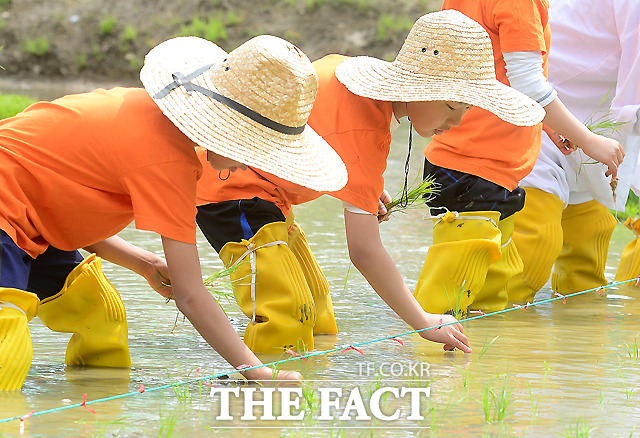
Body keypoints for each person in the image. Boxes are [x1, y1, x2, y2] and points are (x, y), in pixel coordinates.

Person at [0, 34, 349, 391]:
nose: (249, 166)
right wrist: (259, 374)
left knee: (99, 313)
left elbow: (61, 207)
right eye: (257, 150)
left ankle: (84, 420)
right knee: (6, 341)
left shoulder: (156, 126)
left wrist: (143, 263)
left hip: (29, 222)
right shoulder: (169, 161)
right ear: (229, 131)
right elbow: (190, 295)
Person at [194, 10, 545, 355]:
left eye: (465, 111)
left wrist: (365, 185)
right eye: (451, 106)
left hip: (270, 199)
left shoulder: (359, 91)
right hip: (230, 190)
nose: (456, 122)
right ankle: (257, 399)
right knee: (285, 315)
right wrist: (421, 320)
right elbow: (364, 251)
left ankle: (305, 396)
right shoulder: (365, 126)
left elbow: (319, 131)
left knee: (317, 319)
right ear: (418, 88)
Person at [413, 0, 625, 317]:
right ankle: (422, 361)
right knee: (448, 299)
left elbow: (492, 71)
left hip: (474, 160)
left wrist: (549, 123)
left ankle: (483, 366)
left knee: (487, 299)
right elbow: (526, 81)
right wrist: (589, 140)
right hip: (478, 165)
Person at [504, 0, 640, 301]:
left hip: (603, 139)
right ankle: (476, 334)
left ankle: (589, 341)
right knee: (532, 251)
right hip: (545, 116)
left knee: (586, 275)